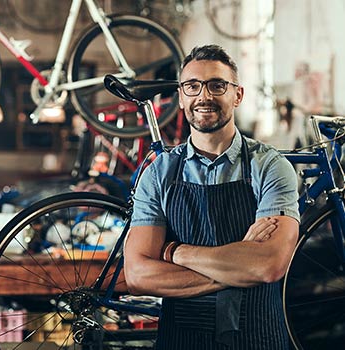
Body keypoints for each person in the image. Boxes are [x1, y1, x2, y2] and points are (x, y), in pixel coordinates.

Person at [124, 45, 300, 349]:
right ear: (181, 97)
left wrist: (176, 252)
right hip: (181, 342)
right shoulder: (159, 175)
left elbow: (268, 265)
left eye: (217, 85)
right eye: (192, 86)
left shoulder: (271, 167)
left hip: (258, 339)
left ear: (238, 95)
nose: (204, 96)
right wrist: (241, 266)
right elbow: (138, 275)